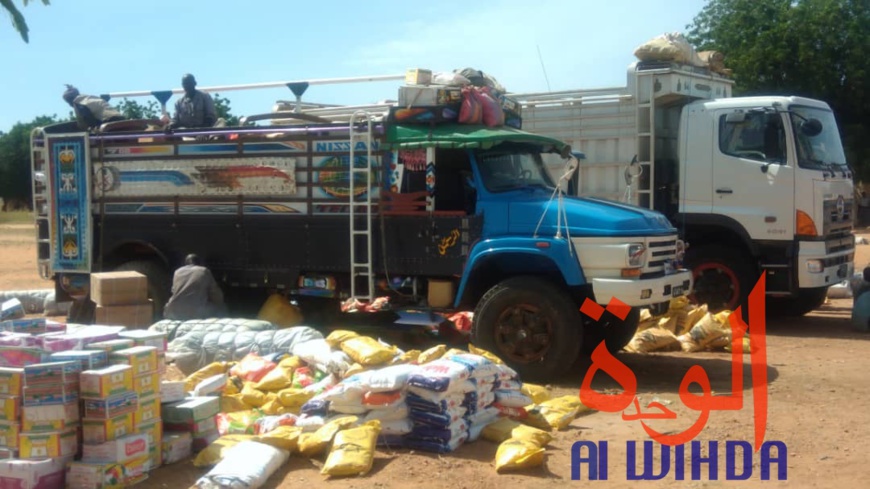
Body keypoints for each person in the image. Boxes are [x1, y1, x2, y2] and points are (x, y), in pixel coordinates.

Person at [163, 253, 227, 320]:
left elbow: (173, 291)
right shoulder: (204, 271)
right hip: (196, 313)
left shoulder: (177, 272)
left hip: (173, 312)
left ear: (186, 263)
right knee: (222, 307)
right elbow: (215, 294)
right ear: (199, 263)